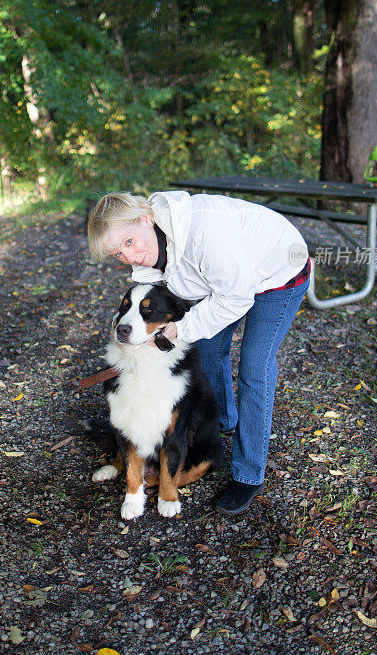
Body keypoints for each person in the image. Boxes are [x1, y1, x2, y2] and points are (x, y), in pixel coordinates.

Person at [87, 190, 310, 515]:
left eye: (129, 242)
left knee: (254, 369)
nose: (128, 257)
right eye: (117, 253)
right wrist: (121, 326)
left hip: (279, 273)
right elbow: (152, 294)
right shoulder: (152, 246)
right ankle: (223, 420)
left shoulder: (205, 233)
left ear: (145, 220)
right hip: (225, 279)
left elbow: (236, 298)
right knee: (206, 352)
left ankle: (249, 474)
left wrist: (180, 329)